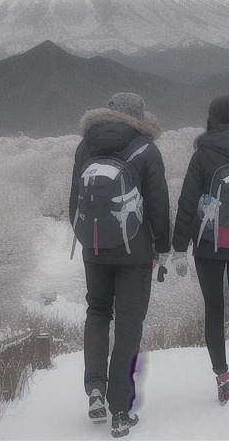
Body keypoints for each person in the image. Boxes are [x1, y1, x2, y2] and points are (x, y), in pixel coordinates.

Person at [69, 92, 170, 438]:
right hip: (136, 254)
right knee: (129, 325)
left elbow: (74, 201)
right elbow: (158, 205)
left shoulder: (86, 146)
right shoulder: (146, 148)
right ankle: (120, 410)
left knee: (97, 312)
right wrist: (164, 248)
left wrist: (88, 241)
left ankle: (95, 388)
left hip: (94, 250)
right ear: (139, 116)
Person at [166, 94, 229, 405]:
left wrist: (179, 248)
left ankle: (225, 383)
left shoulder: (203, 152)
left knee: (214, 309)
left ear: (212, 118)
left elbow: (186, 202)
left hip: (209, 244)